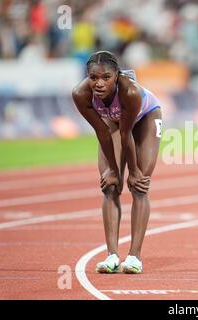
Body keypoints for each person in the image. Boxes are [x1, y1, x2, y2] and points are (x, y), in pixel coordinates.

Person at [72, 51, 162, 274]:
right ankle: (112, 256)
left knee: (139, 185)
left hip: (146, 119)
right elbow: (102, 131)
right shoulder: (80, 94)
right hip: (113, 124)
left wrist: (132, 171)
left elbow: (126, 134)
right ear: (87, 77)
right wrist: (113, 170)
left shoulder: (130, 92)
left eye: (106, 78)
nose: (99, 84)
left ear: (116, 75)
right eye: (93, 78)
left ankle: (134, 257)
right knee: (110, 185)